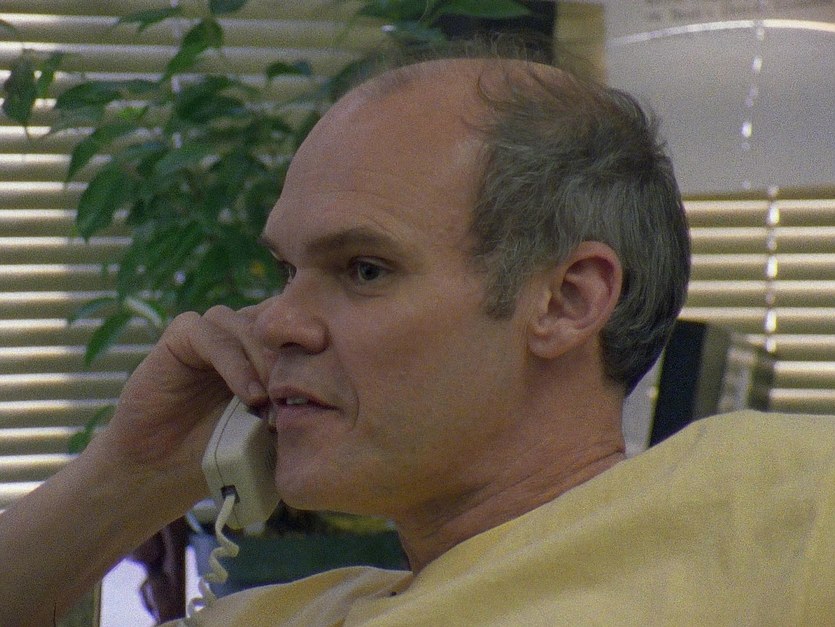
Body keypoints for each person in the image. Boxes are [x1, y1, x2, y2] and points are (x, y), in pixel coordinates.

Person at [2, 54, 834, 626]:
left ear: (566, 300)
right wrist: (130, 474)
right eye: (286, 269)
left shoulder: (771, 500)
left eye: (363, 269)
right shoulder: (282, 612)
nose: (278, 320)